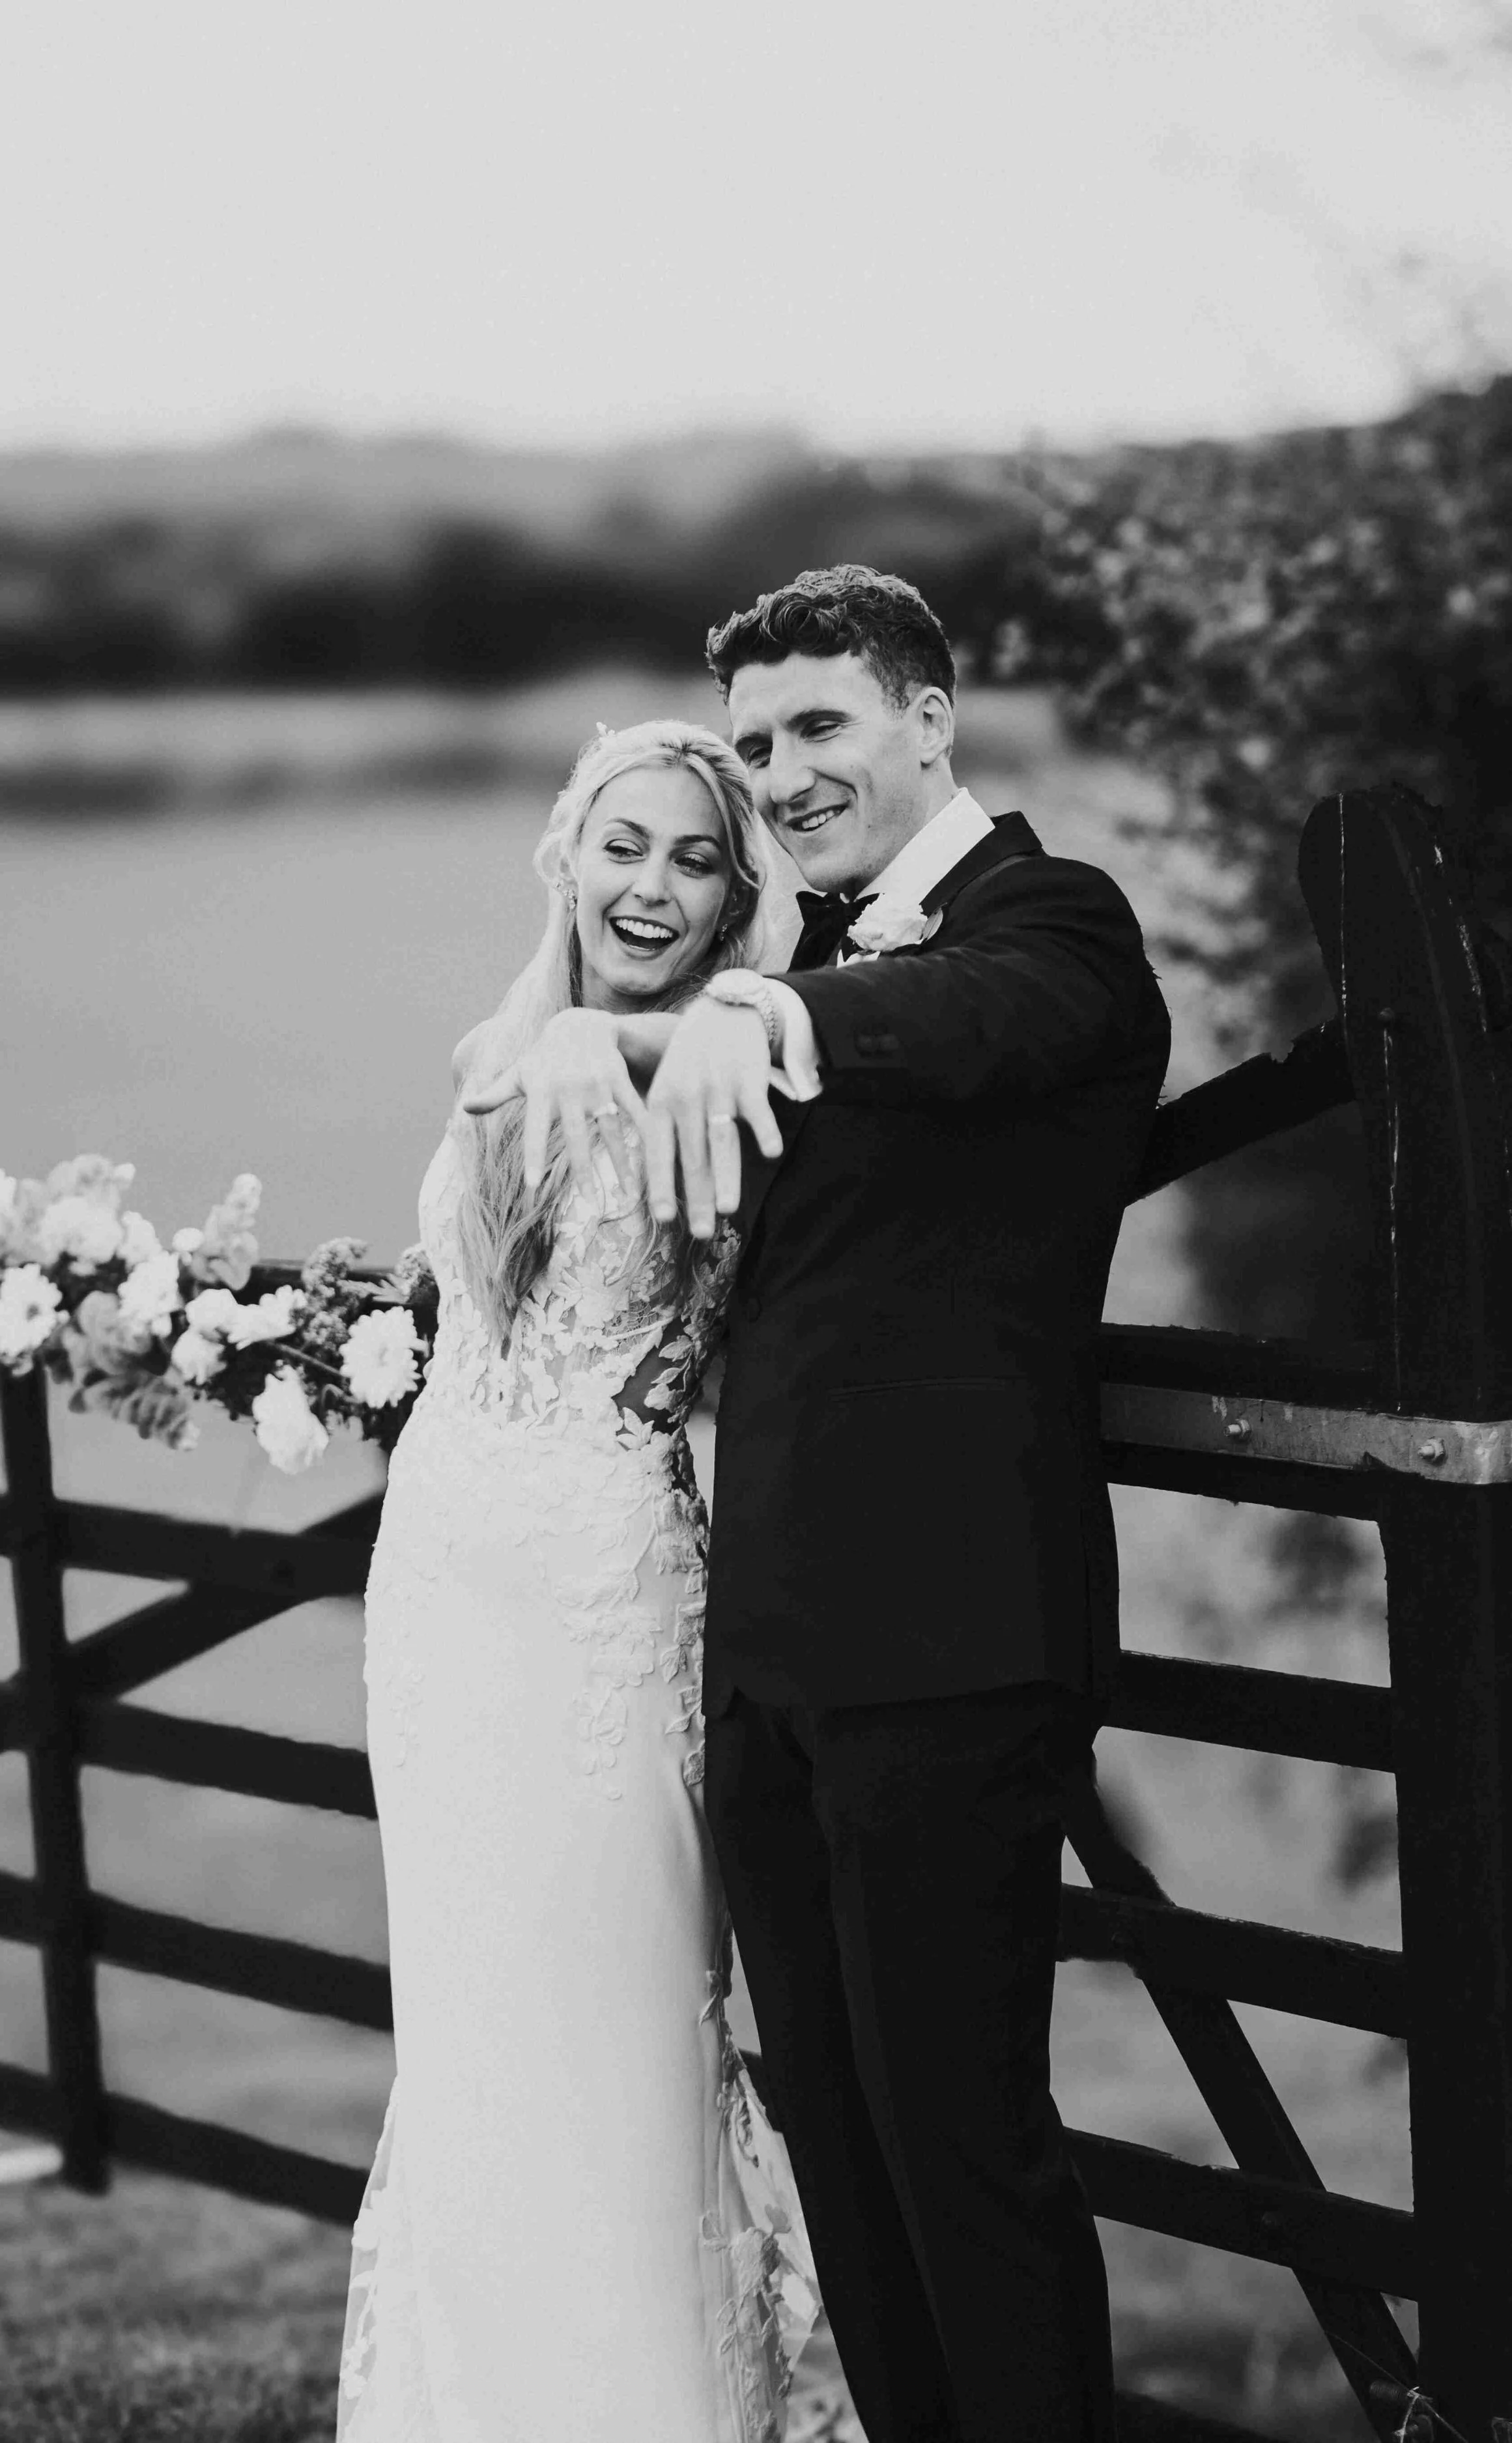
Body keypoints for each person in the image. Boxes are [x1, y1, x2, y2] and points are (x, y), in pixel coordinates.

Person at [489, 565, 1171, 2443]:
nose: (783, 774)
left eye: (822, 729)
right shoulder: (796, 962)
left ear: (928, 718)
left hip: (952, 1644)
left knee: (961, 2144)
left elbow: (983, 1017)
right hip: (773, 1653)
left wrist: (768, 1025)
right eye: (760, 739)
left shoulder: (1049, 923)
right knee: (842, 2144)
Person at [335, 719, 819, 2443]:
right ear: (567, 852)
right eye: (625, 843)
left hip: (605, 1589)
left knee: (612, 2000)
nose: (653, 884)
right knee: (468, 2008)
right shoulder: (504, 1045)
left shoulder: (706, 1064)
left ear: (735, 896)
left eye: (696, 859)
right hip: (444, 1580)